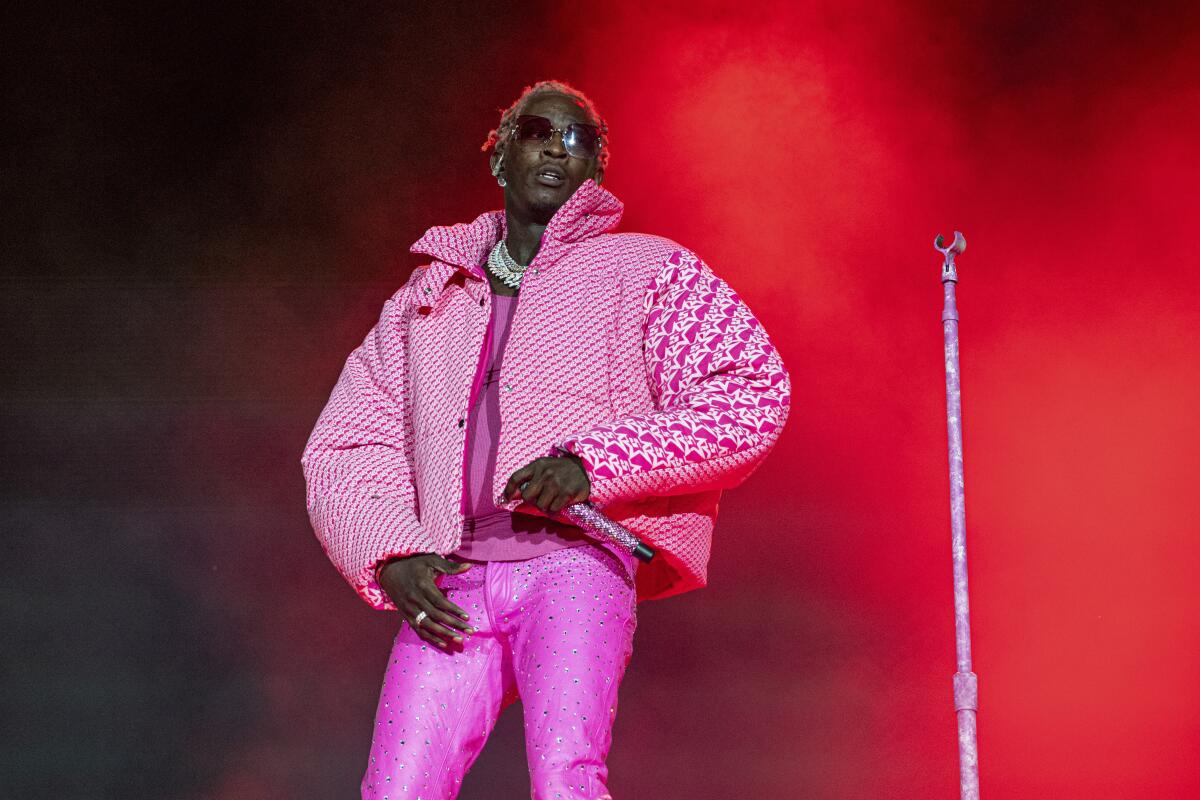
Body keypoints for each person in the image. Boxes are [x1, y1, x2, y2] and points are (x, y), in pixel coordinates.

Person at [301, 79, 791, 799]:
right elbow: (347, 442)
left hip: (573, 566)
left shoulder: (646, 269)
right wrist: (391, 555)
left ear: (597, 168)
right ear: (500, 157)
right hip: (451, 581)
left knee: (566, 781)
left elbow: (751, 392)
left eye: (581, 138)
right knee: (394, 791)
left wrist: (594, 464)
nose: (559, 148)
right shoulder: (426, 296)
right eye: (538, 131)